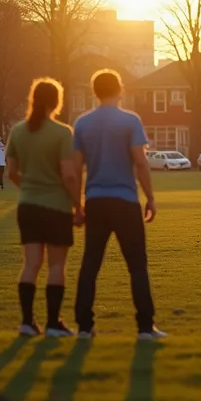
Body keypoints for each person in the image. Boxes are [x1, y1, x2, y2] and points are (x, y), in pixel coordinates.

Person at [72, 69, 165, 340]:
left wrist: (78, 205)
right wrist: (150, 197)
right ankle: (145, 327)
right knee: (137, 265)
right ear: (120, 89)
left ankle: (84, 327)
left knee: (90, 264)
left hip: (96, 201)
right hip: (124, 200)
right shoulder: (130, 121)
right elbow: (140, 161)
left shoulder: (83, 123)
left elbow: (76, 168)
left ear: (94, 91)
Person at [6, 79, 79, 337]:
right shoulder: (62, 133)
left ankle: (27, 322)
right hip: (56, 206)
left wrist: (29, 187)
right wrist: (78, 206)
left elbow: (11, 172)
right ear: (56, 101)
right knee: (56, 266)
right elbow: (68, 175)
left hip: (27, 205)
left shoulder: (18, 131)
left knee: (31, 263)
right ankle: (52, 323)